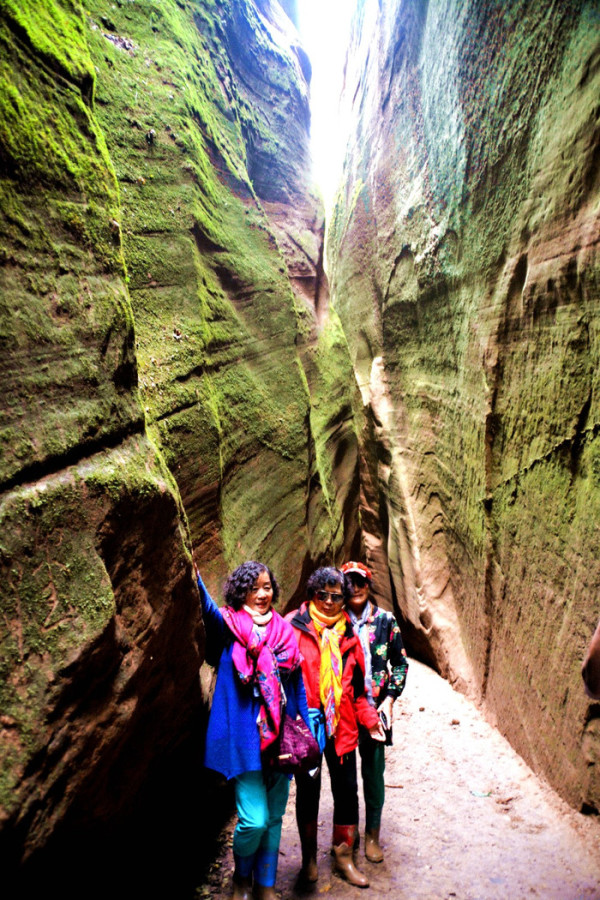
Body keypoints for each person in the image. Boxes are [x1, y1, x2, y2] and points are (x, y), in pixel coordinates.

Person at [196, 560, 310, 900]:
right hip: (245, 741)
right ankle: (242, 878)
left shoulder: (285, 632)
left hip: (282, 740)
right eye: (253, 588)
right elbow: (207, 610)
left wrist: (307, 737)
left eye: (267, 587)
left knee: (274, 817)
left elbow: (297, 686)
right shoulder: (229, 628)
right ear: (240, 591)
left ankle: (265, 885)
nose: (262, 594)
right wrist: (195, 573)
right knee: (254, 820)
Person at [287, 566, 385, 888]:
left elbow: (357, 691)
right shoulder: (293, 627)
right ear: (312, 594)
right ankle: (310, 862)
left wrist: (371, 721)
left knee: (346, 792)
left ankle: (344, 858)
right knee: (308, 792)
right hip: (308, 728)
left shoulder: (348, 635)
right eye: (322, 595)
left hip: (341, 728)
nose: (329, 602)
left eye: (336, 596)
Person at [341, 560, 409, 863]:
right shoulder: (335, 621)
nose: (354, 587)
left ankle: (372, 836)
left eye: (360, 581)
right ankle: (348, 835)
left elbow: (400, 663)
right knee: (344, 776)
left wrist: (390, 699)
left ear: (369, 584)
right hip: (344, 711)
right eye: (348, 582)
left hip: (376, 708)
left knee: (373, 773)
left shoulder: (386, 621)